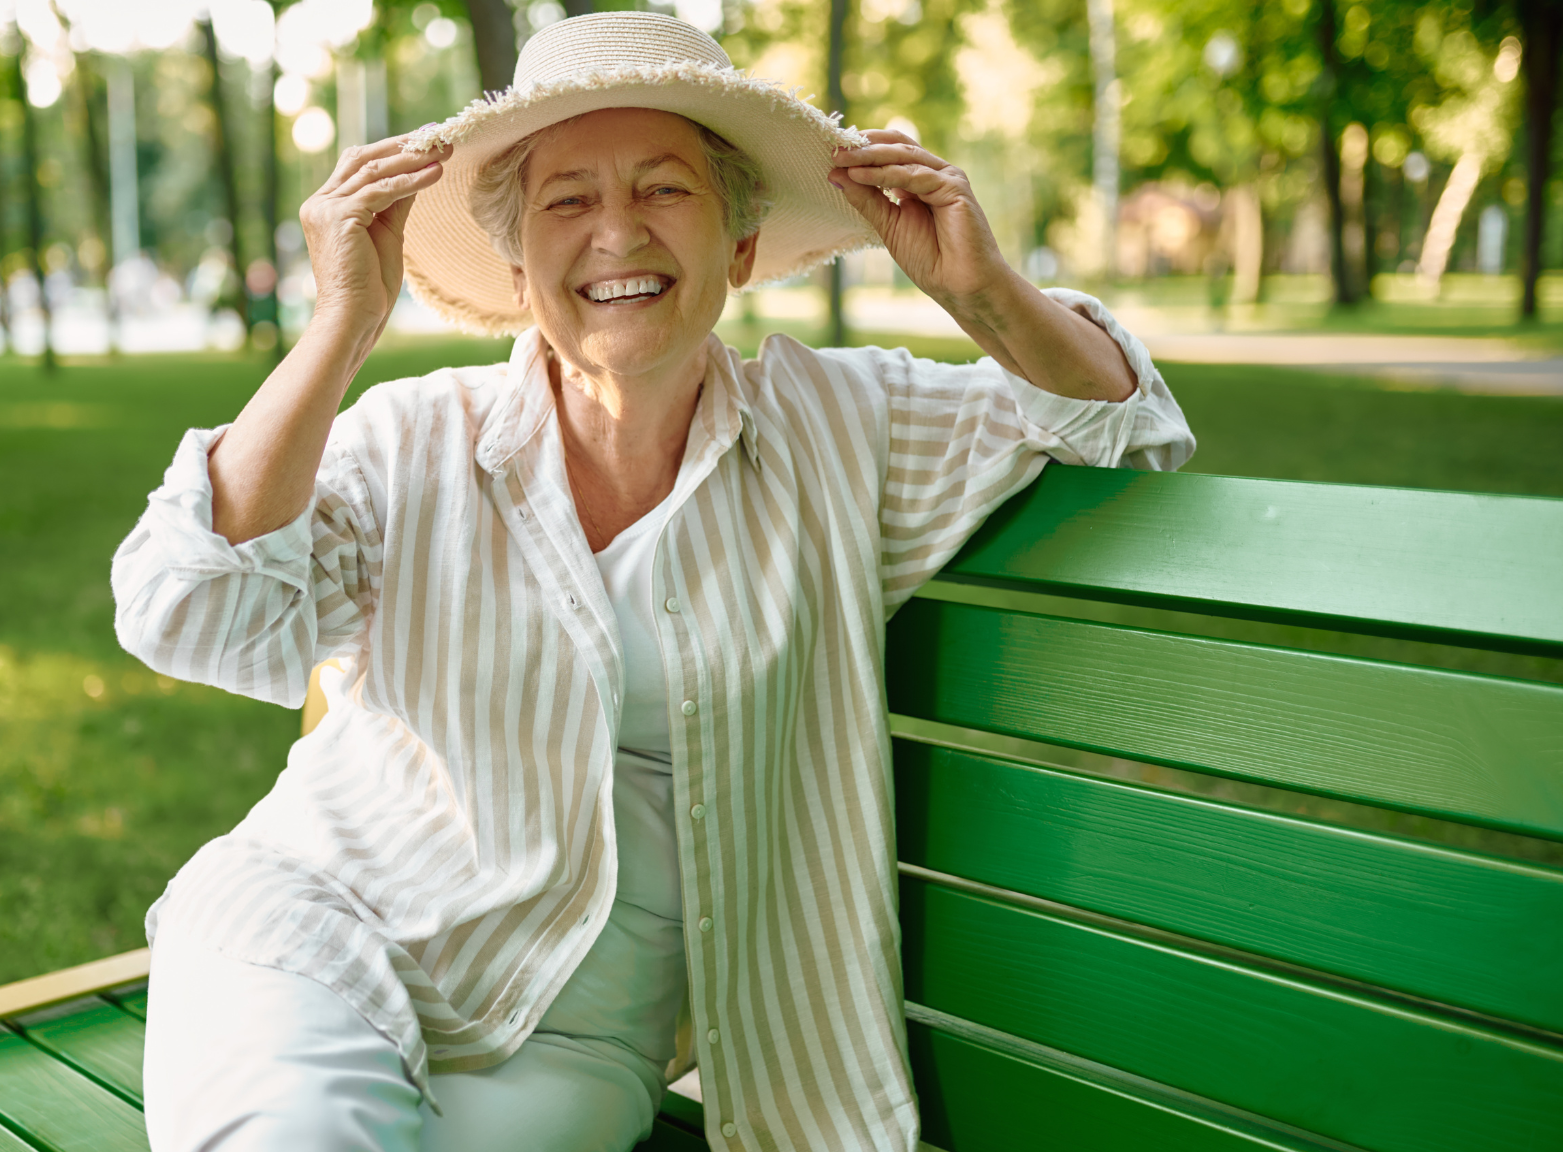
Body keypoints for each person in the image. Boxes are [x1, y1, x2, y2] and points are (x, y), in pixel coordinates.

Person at [114, 13, 1193, 1152]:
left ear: (736, 243)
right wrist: (341, 325)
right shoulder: (413, 438)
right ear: (520, 262)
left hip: (578, 1032)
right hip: (317, 933)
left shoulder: (843, 429)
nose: (616, 234)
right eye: (567, 200)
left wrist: (975, 290)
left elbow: (1126, 432)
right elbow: (190, 611)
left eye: (665, 190)